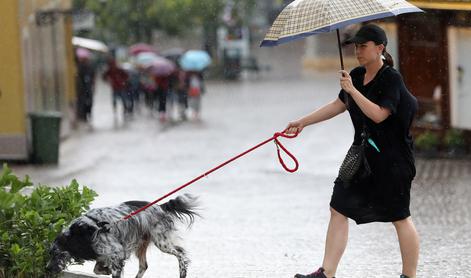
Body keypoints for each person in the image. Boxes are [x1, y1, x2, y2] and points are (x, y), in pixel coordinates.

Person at [285, 24, 419, 278]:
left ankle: (409, 275)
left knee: (399, 216)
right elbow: (338, 105)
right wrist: (302, 121)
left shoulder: (391, 78)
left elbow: (379, 115)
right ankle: (327, 272)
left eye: (363, 46)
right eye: (355, 46)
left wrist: (353, 91)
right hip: (362, 156)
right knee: (338, 207)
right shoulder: (355, 75)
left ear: (380, 48)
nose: (357, 51)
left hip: (393, 159)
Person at [75, 48, 96, 122]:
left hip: (87, 87)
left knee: (88, 102)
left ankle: (88, 114)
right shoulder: (80, 67)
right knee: (84, 102)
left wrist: (93, 86)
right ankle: (85, 115)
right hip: (83, 88)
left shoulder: (89, 67)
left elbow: (93, 77)